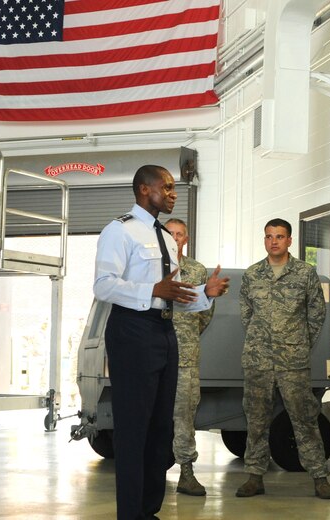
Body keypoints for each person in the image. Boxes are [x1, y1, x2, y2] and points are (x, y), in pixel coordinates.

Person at [93, 165, 229, 520]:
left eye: (174, 188)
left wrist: (205, 293)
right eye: (166, 187)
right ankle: (131, 514)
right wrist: (150, 290)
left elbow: (175, 294)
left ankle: (149, 510)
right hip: (132, 332)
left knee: (160, 428)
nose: (173, 193)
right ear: (143, 190)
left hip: (165, 332)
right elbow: (103, 285)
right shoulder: (119, 231)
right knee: (134, 427)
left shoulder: (167, 238)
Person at [236, 218, 330, 500]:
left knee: (304, 418)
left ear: (289, 240)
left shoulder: (305, 273)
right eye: (269, 237)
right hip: (258, 360)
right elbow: (247, 314)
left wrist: (297, 344)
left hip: (293, 361)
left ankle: (320, 477)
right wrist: (262, 340)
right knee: (256, 420)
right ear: (264, 240)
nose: (274, 241)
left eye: (279, 236)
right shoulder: (253, 274)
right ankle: (254, 477)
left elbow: (316, 315)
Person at [165, 218, 214, 496]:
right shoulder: (150, 269)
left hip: (185, 357)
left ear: (186, 239)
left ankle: (186, 472)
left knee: (184, 415)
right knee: (151, 415)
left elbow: (205, 313)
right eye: (170, 234)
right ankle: (150, 470)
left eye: (179, 234)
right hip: (154, 355)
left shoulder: (197, 270)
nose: (175, 238)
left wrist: (187, 336)